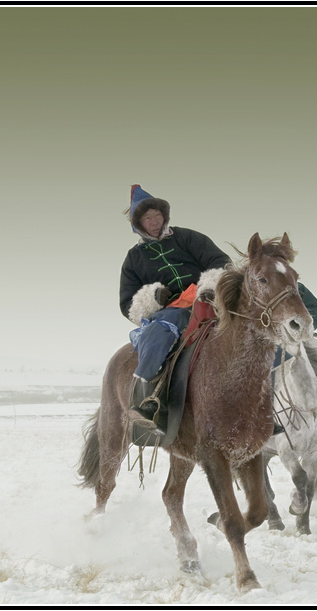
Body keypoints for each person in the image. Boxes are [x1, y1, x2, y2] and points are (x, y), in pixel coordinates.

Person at [121, 184, 231, 438]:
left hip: (209, 299)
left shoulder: (187, 237)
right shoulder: (133, 259)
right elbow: (127, 303)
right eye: (147, 218)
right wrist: (153, 297)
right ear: (138, 223)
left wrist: (209, 286)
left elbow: (220, 261)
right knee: (162, 329)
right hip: (172, 310)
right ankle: (147, 401)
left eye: (157, 215)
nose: (154, 221)